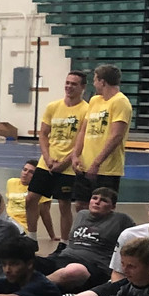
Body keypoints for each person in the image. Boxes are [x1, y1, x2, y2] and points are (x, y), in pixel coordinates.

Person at [35, 188, 135, 293]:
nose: (97, 202)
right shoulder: (82, 214)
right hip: (63, 258)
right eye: (94, 198)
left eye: (103, 200)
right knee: (27, 260)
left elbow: (139, 236)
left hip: (93, 266)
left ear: (113, 207)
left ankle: (31, 290)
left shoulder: (121, 219)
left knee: (74, 270)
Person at [30, 68, 90, 241]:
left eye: (74, 84)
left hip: (69, 165)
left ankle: (64, 243)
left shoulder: (86, 110)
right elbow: (43, 134)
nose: (69, 87)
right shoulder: (53, 106)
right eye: (67, 83)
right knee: (31, 198)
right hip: (47, 162)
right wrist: (47, 158)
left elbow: (83, 140)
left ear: (83, 87)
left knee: (64, 205)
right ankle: (32, 238)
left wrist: (65, 162)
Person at [72, 64, 133, 199]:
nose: (93, 84)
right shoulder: (95, 100)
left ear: (102, 82)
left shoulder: (120, 102)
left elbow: (116, 136)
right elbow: (84, 130)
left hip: (106, 169)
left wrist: (96, 163)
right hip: (84, 165)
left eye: (95, 80)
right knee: (81, 205)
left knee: (103, 206)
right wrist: (75, 155)